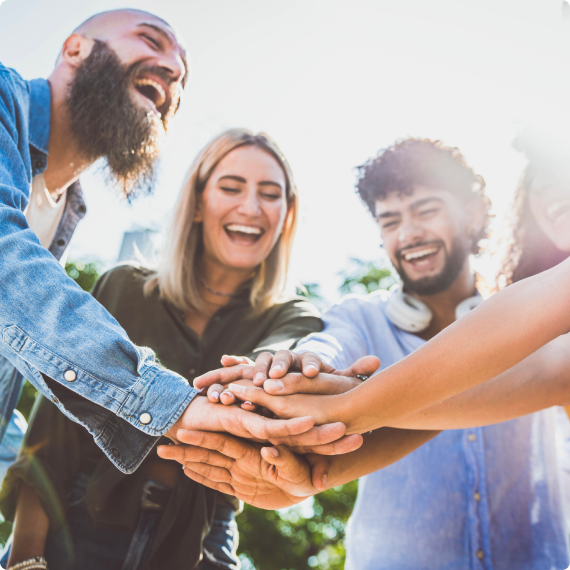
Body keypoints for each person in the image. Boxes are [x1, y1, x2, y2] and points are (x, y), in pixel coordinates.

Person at [178, 138, 570, 569]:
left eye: (426, 211)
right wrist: (295, 372)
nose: (409, 233)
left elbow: (550, 373)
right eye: (390, 221)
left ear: (473, 214)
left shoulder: (541, 323)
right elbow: (324, 348)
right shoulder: (360, 316)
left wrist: (348, 404)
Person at [0, 7, 341, 489]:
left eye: (182, 68)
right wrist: (170, 405)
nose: (175, 68)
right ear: (74, 48)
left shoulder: (65, 208)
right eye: (151, 40)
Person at [0, 129, 367, 570]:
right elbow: (51, 439)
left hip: (202, 544)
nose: (250, 207)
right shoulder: (124, 287)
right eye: (231, 187)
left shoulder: (296, 317)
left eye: (270, 194)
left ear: (286, 215)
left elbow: (279, 365)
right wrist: (26, 557)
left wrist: (284, 376)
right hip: (76, 529)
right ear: (196, 203)